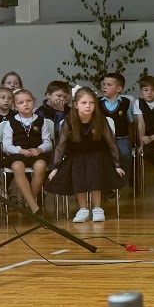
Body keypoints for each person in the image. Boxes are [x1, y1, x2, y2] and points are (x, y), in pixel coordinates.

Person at [50, 86, 124, 222]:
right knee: (77, 169)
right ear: (76, 105)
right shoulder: (69, 120)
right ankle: (83, 209)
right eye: (84, 103)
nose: (88, 106)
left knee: (94, 169)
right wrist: (56, 166)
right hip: (76, 155)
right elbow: (61, 145)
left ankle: (97, 208)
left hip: (98, 154)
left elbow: (111, 143)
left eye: (91, 103)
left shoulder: (100, 119)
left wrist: (117, 164)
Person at [0, 88, 54, 213]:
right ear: (15, 106)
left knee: (41, 166)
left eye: (29, 101)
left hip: (36, 153)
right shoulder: (10, 122)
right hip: (18, 154)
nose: (26, 104)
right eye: (21, 102)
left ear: (33, 102)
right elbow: (6, 145)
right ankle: (33, 205)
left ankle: (28, 201)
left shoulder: (41, 121)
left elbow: (48, 143)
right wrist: (20, 150)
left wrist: (40, 149)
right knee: (17, 166)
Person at [97, 73, 136, 178]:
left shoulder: (126, 102)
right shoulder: (97, 103)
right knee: (101, 155)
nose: (104, 87)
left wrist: (131, 140)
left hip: (121, 138)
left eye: (109, 85)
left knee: (125, 153)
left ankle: (125, 177)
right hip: (103, 138)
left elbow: (131, 122)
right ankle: (107, 180)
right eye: (104, 84)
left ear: (119, 89)